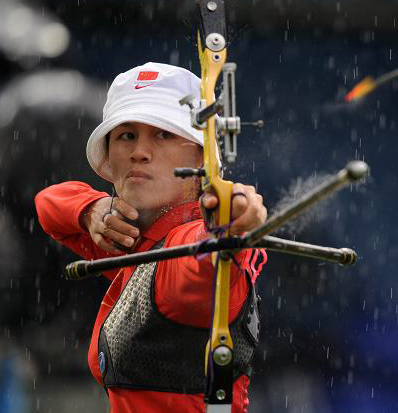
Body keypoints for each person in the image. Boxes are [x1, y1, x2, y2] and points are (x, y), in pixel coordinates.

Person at [34, 62, 268, 413]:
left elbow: (201, 261)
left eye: (163, 134)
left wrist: (230, 224)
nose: (139, 152)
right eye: (127, 135)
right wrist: (91, 209)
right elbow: (48, 204)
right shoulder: (131, 239)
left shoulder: (182, 246)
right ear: (108, 156)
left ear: (202, 156)